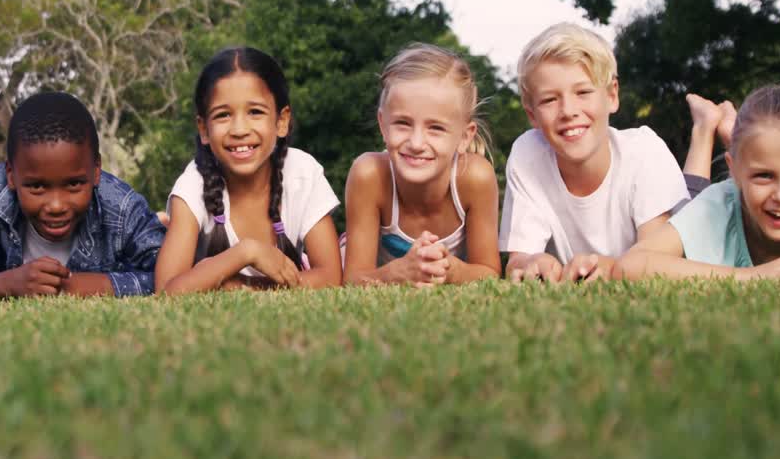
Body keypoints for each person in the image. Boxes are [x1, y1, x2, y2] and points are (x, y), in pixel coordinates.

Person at [616, 84, 780, 279]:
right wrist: (757, 276)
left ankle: (731, 133)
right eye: (764, 176)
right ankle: (705, 127)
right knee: (694, 197)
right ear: (733, 171)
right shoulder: (717, 205)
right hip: (712, 208)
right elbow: (631, 265)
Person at [499, 23, 689, 283]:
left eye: (583, 92)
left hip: (689, 223)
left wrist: (609, 266)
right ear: (531, 114)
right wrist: (531, 261)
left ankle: (705, 128)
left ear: (612, 95)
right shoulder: (526, 155)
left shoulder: (644, 151)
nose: (568, 111)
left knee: (699, 194)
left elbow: (658, 259)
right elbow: (517, 261)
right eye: (549, 100)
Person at [0, 91, 165, 303]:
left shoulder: (122, 207)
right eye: (37, 186)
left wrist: (89, 285)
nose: (56, 205)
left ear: (96, 170)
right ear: (11, 175)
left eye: (74, 184)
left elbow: (168, 276)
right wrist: (4, 284)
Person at [155, 46, 342, 292]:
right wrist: (246, 252)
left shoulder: (302, 173)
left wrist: (247, 286)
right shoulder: (193, 186)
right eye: (223, 115)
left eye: (255, 112)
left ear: (281, 121)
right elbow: (167, 290)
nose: (240, 129)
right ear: (203, 129)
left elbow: (331, 277)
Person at [343, 43, 500, 286]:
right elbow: (353, 279)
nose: (416, 143)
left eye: (436, 128)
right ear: (383, 125)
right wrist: (400, 273)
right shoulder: (370, 175)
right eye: (403, 123)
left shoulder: (475, 178)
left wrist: (451, 270)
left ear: (464, 136)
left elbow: (489, 272)